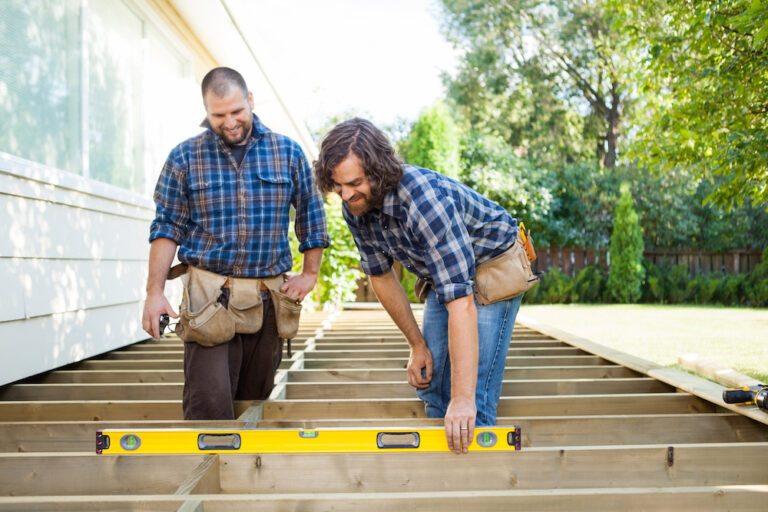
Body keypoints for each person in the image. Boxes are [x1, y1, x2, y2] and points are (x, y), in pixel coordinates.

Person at [314, 118, 523, 454]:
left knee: (473, 398)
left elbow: (462, 304)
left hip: (493, 265)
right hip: (447, 273)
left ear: (378, 171)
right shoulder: (355, 205)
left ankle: (475, 479)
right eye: (338, 186)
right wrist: (417, 345)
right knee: (434, 383)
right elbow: (381, 275)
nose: (346, 194)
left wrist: (463, 399)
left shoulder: (425, 201)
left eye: (354, 183)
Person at [142, 67, 329, 420]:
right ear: (206, 111)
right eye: (218, 115)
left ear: (251, 101)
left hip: (269, 301)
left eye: (237, 112)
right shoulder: (185, 157)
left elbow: (312, 217)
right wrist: (154, 293)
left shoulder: (287, 153)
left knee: (253, 404)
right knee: (209, 408)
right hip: (208, 300)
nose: (230, 122)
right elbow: (166, 227)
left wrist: (310, 273)